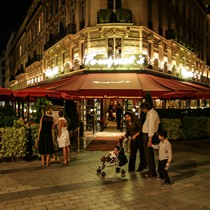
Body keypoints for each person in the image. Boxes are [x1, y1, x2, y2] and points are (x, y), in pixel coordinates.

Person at [140, 102, 160, 177]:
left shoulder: (151, 114)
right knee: (149, 154)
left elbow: (151, 127)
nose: (142, 111)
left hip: (148, 135)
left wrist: (150, 139)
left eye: (142, 109)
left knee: (148, 154)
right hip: (149, 134)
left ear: (145, 109)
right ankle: (151, 169)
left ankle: (152, 172)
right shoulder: (153, 112)